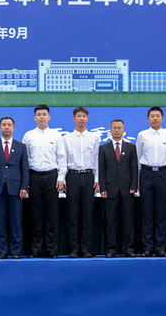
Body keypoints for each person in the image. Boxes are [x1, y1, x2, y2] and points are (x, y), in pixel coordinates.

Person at [22, 104, 66, 258]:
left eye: (44, 114)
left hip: (51, 177)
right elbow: (24, 160)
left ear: (49, 117)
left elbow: (62, 158)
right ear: (35, 118)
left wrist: (61, 178)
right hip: (34, 176)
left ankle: (51, 250)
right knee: (36, 215)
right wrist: (26, 180)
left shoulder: (56, 135)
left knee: (51, 215)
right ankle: (35, 249)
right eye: (39, 114)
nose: (42, 117)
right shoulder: (28, 136)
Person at [0, 116, 29, 259]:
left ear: (13, 128)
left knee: (16, 221)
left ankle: (16, 251)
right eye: (4, 125)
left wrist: (24, 187)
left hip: (16, 189)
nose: (6, 127)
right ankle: (2, 251)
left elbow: (25, 169)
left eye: (9, 125)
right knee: (0, 221)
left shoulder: (21, 146)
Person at [136, 106, 166, 257]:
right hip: (146, 173)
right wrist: (138, 178)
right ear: (148, 119)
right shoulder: (142, 135)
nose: (155, 118)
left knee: (161, 213)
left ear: (162, 119)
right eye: (152, 116)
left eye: (158, 116)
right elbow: (138, 158)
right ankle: (147, 247)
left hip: (162, 174)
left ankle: (160, 247)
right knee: (147, 213)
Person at [63, 107, 100, 258]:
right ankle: (73, 248)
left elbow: (97, 160)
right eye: (78, 116)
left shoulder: (94, 137)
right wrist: (62, 179)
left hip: (88, 176)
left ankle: (85, 248)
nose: (81, 119)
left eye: (84, 116)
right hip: (72, 176)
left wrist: (97, 180)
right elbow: (63, 160)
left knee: (87, 215)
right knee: (72, 215)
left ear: (87, 119)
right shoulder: (66, 138)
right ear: (74, 118)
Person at [99, 119, 138, 258]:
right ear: (110, 130)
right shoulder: (103, 148)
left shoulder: (131, 147)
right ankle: (111, 248)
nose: (116, 130)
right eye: (114, 128)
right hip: (110, 190)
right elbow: (102, 170)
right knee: (111, 220)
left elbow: (134, 168)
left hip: (127, 189)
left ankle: (128, 248)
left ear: (124, 130)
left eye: (119, 128)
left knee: (128, 220)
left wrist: (134, 185)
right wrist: (103, 188)